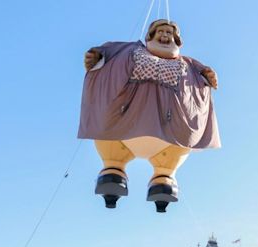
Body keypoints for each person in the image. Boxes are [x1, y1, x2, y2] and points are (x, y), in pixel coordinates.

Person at [78, 19, 220, 212]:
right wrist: (99, 57)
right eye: (161, 31)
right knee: (111, 139)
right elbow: (107, 55)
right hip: (124, 124)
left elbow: (202, 76)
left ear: (177, 40)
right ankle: (113, 170)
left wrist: (206, 76)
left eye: (170, 33)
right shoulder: (130, 51)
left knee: (175, 149)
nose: (165, 35)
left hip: (169, 133)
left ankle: (164, 178)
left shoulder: (186, 64)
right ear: (150, 36)